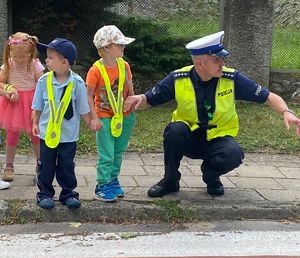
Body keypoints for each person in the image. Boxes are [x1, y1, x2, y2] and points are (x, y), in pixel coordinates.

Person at [124, 31, 300, 198]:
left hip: (218, 139)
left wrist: (287, 111)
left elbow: (269, 97)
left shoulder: (232, 78)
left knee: (233, 154)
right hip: (188, 138)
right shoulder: (179, 78)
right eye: (216, 60)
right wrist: (138, 99)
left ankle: (210, 176)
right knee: (174, 131)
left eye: (222, 59)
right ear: (200, 63)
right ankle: (170, 181)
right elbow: (148, 99)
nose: (222, 64)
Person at [32, 38, 98, 210]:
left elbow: (83, 108)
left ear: (64, 62)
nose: (46, 60)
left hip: (69, 135)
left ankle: (68, 193)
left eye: (50, 57)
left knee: (66, 165)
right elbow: (37, 106)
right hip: (47, 133)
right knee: (46, 164)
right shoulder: (43, 82)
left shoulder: (77, 83)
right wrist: (35, 123)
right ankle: (45, 194)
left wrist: (90, 122)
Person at [86, 25, 136, 202]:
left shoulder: (125, 66)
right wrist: (93, 117)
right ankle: (102, 184)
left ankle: (113, 180)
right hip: (104, 117)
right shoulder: (95, 70)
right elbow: (88, 95)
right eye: (119, 44)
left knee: (118, 151)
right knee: (106, 152)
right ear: (106, 48)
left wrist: (132, 105)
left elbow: (129, 89)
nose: (123, 46)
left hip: (124, 116)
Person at [0, 32, 45, 182]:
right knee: (11, 135)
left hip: (33, 103)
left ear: (30, 52)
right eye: (16, 56)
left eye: (23, 56)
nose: (19, 60)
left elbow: (42, 83)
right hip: (14, 104)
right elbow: (0, 82)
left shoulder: (35, 63)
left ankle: (41, 164)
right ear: (10, 52)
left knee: (36, 134)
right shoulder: (8, 63)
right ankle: (9, 166)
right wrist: (9, 89)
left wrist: (40, 103)